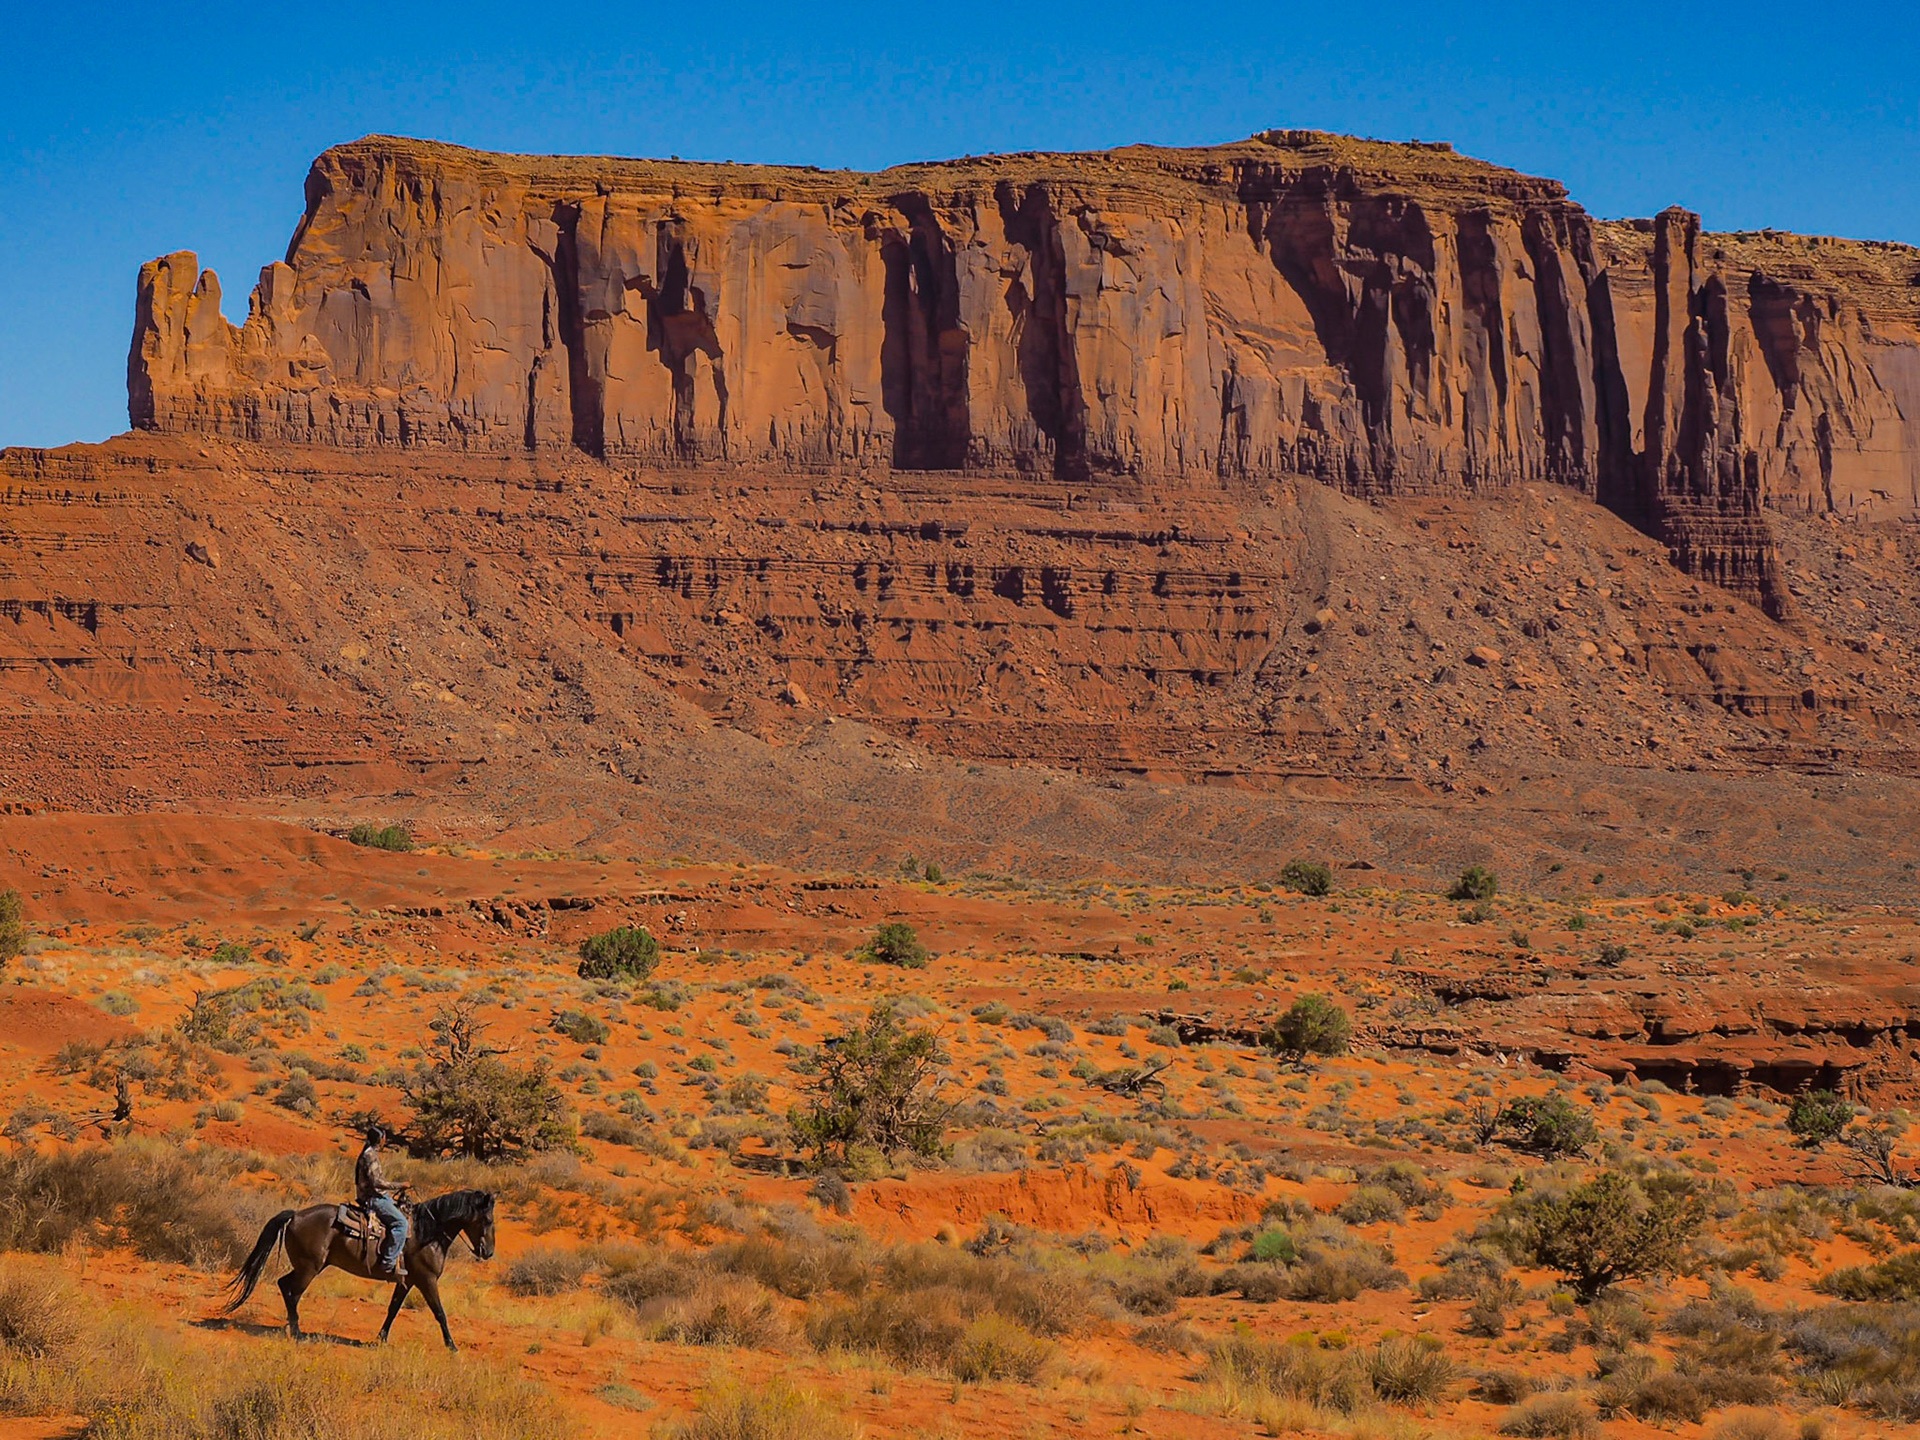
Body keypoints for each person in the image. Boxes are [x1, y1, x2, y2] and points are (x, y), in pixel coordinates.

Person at [355, 1124, 409, 1280]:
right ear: (380, 1139)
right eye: (384, 1137)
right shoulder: (370, 1155)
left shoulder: (368, 1153)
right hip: (372, 1198)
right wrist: (399, 1185)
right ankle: (388, 1263)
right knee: (401, 1224)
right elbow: (377, 1182)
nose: (385, 1140)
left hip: (377, 1195)